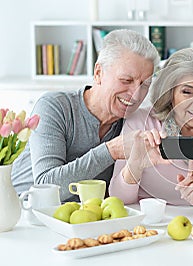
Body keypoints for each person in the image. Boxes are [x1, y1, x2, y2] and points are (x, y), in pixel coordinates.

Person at [11, 29, 160, 202]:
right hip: (24, 214)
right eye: (126, 80)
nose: (136, 94)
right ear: (98, 73)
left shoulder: (133, 123)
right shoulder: (55, 106)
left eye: (144, 84)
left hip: (80, 220)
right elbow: (47, 187)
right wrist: (110, 151)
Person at [109, 47, 193, 208]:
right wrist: (134, 167)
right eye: (187, 92)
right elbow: (117, 198)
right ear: (170, 94)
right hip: (146, 223)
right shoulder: (140, 123)